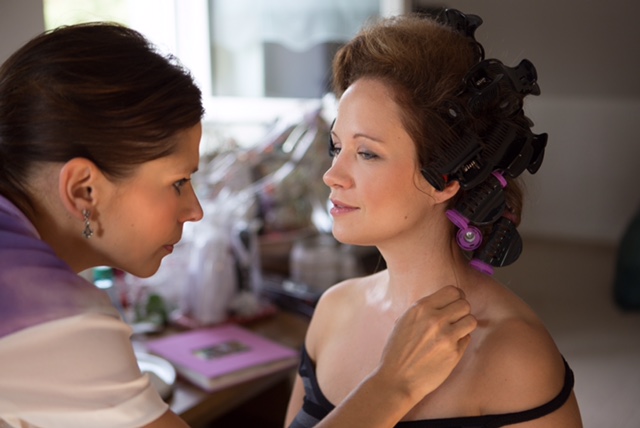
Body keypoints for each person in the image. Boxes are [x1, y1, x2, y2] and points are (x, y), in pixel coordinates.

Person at [0, 22, 476, 428]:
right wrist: (393, 386)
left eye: (367, 152)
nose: (195, 210)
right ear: (84, 190)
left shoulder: (507, 349)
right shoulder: (48, 321)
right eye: (178, 182)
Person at [285, 10, 583, 428]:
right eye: (337, 147)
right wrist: (390, 387)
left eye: (366, 153)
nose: (332, 175)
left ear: (446, 178)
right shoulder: (332, 312)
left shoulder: (516, 357)